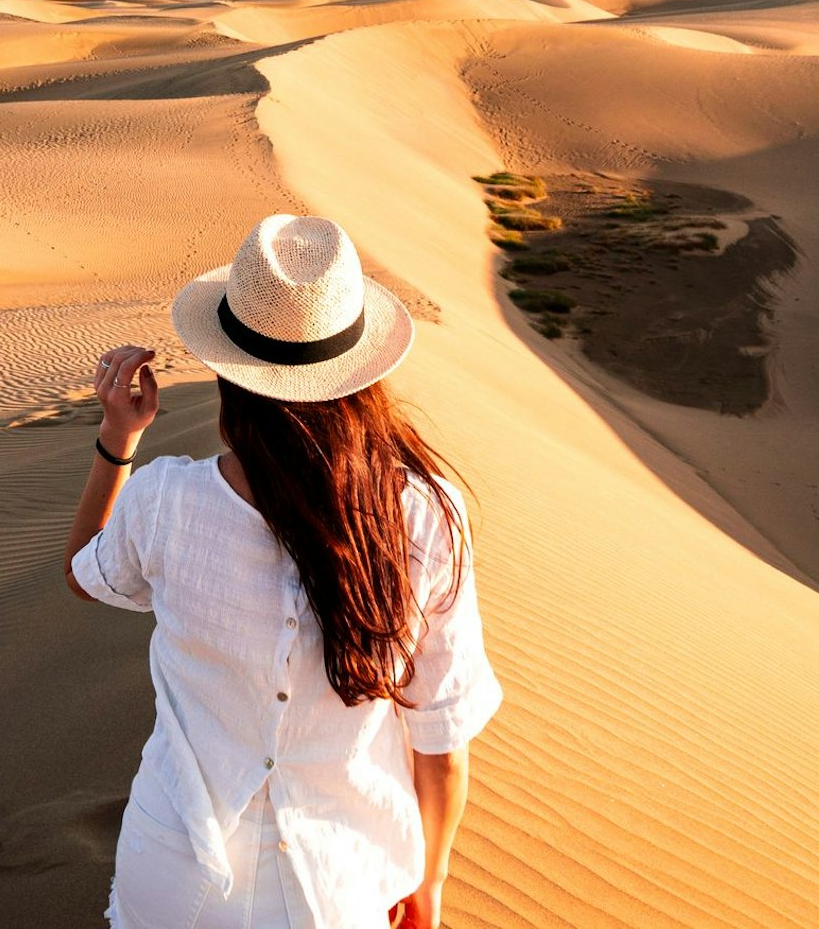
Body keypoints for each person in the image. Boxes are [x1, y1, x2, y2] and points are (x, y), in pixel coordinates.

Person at [66, 214, 503, 929]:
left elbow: (83, 574)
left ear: (228, 373)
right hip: (340, 886)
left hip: (173, 878)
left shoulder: (164, 498)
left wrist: (118, 440)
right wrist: (429, 881)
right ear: (360, 371)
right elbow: (442, 742)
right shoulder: (425, 515)